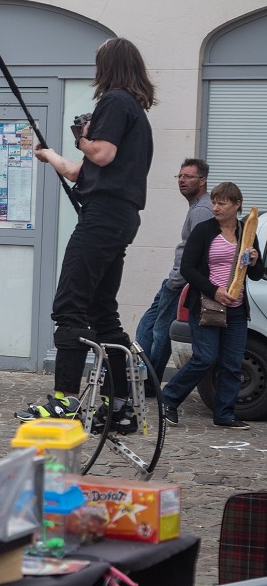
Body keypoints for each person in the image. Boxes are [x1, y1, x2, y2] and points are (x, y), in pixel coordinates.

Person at [20, 38, 156, 421]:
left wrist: (83, 136)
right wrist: (49, 155)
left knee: (70, 303)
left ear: (109, 65)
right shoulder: (134, 113)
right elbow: (82, 170)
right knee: (102, 312)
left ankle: (65, 398)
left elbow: (101, 153)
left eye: (98, 62)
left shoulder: (115, 101)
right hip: (119, 217)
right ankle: (121, 407)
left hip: (103, 217)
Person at [158, 182, 262, 428]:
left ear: (236, 205)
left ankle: (224, 414)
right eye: (214, 202)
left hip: (236, 308)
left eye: (221, 203)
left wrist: (256, 261)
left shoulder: (247, 232)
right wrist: (214, 290)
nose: (215, 207)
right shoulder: (204, 231)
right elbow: (187, 269)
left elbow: (256, 275)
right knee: (205, 357)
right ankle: (169, 399)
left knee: (232, 362)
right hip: (206, 303)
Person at [135, 159, 213, 389]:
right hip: (174, 278)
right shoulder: (198, 206)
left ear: (202, 180)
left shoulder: (201, 210)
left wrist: (177, 282)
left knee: (160, 332)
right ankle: (140, 378)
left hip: (180, 281)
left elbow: (199, 253)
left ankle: (150, 385)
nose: (182, 180)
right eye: (179, 176)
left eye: (188, 176)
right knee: (146, 326)